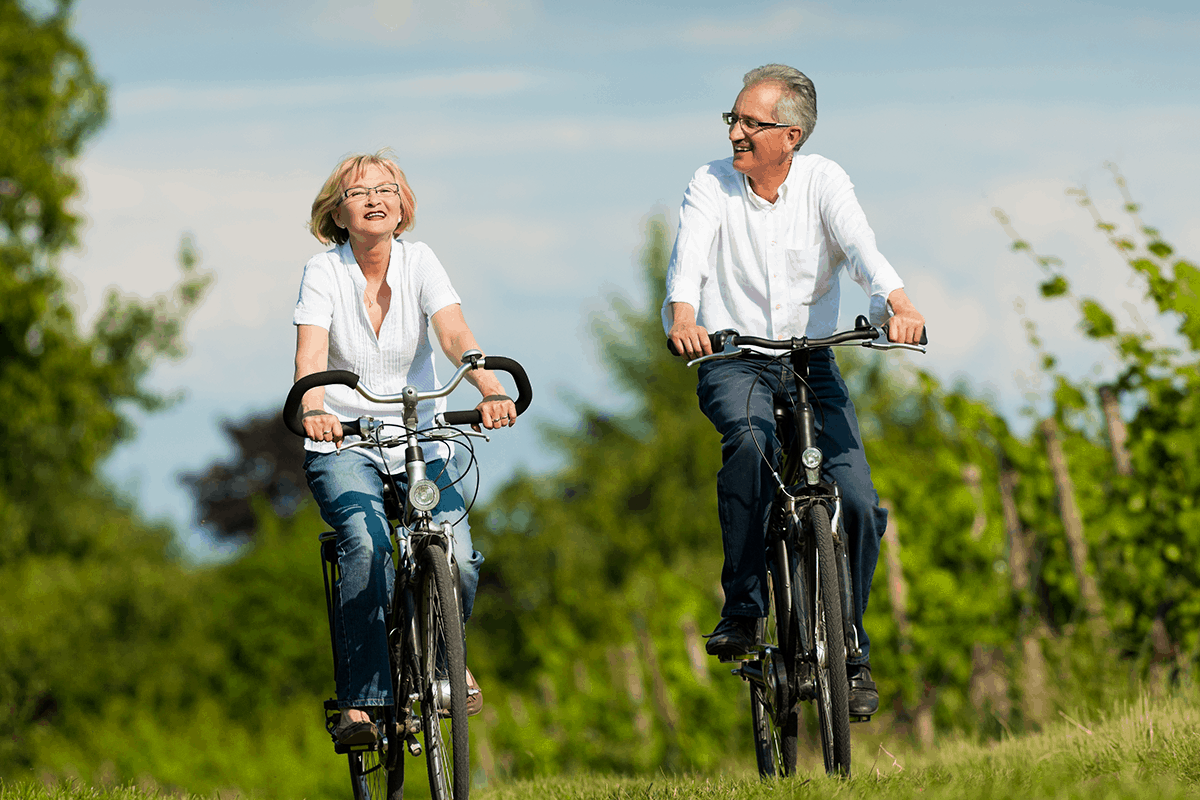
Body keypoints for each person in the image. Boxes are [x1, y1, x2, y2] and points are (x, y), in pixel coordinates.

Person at [664, 65, 925, 717]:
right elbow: (689, 260)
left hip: (812, 363)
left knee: (859, 502)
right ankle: (746, 609)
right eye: (733, 119)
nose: (737, 133)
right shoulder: (710, 184)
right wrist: (684, 319)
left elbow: (862, 248)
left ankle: (850, 647)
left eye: (751, 123)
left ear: (792, 133)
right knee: (750, 447)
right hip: (735, 360)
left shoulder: (824, 182)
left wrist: (896, 303)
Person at [293, 151, 516, 745]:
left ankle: (443, 660)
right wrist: (315, 407)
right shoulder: (323, 273)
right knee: (365, 545)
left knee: (460, 555)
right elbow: (311, 357)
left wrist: (491, 388)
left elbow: (453, 335)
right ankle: (363, 703)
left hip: (422, 439)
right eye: (359, 191)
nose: (375, 198)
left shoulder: (421, 262)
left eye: (387, 189)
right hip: (347, 443)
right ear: (337, 213)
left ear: (403, 205)